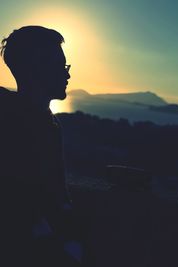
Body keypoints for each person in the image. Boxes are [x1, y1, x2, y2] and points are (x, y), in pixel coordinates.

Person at [0, 26, 80, 266]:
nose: (67, 75)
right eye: (59, 67)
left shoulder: (50, 125)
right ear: (34, 69)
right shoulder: (10, 119)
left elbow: (58, 196)